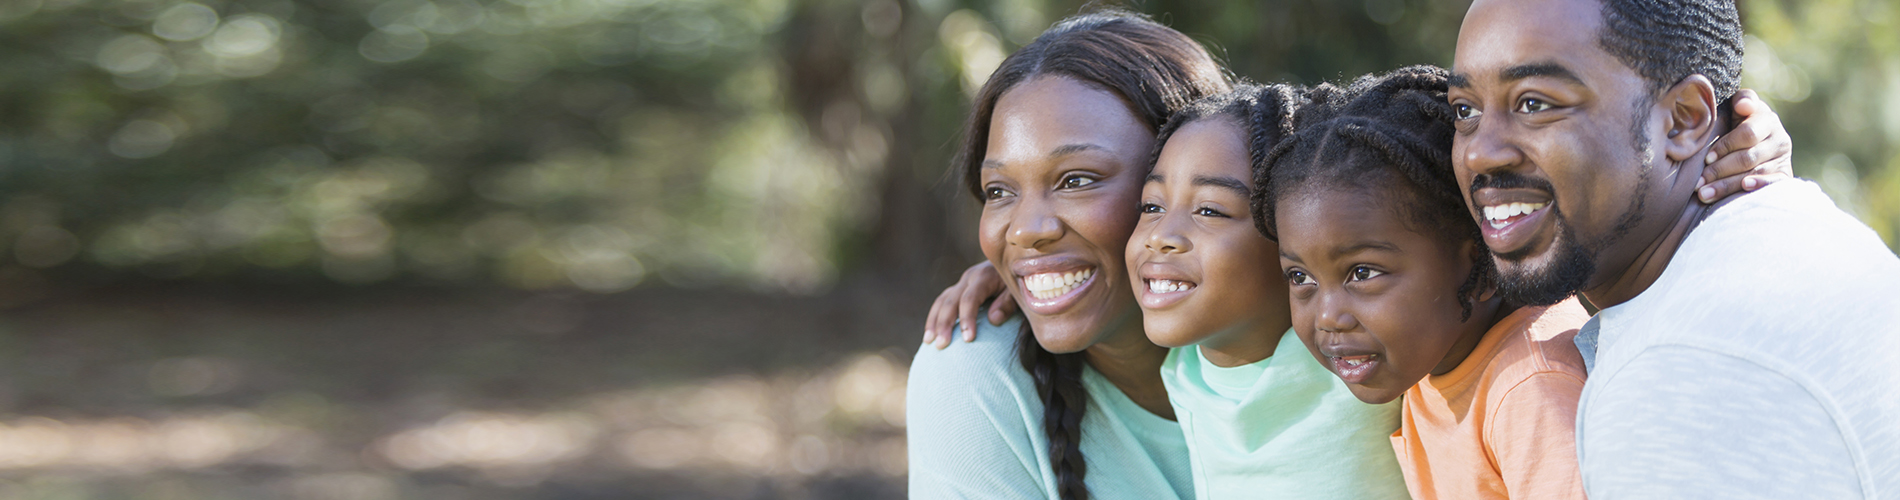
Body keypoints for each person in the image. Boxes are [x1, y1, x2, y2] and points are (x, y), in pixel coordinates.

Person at [1448, 0, 1900, 496]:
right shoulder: (1787, 244)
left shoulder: (1681, 376)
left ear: (1684, 120)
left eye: (1534, 103)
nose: (1479, 151)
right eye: (1465, 111)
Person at [905, 10, 1227, 500]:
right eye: (999, 191)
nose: (1027, 231)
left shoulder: (1337, 339)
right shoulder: (977, 373)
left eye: (1076, 180)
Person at [1262, 65, 1588, 500]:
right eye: (1300, 277)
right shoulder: (1432, 356)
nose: (1328, 316)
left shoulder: (1531, 389)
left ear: (1481, 265)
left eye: (1362, 273)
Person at [1128, 83, 1409, 499]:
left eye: (1210, 210)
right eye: (1152, 206)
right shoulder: (1182, 364)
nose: (1161, 236)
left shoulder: (1360, 352)